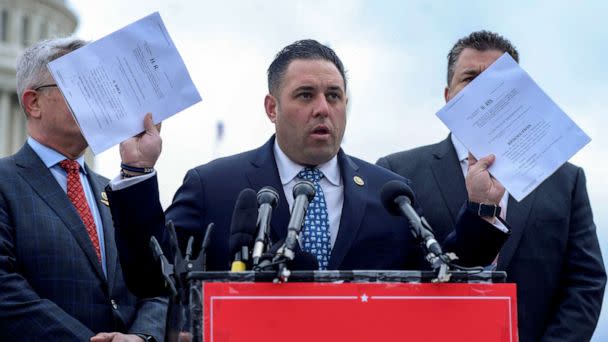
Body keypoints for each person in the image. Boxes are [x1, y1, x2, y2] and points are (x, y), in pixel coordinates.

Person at [106, 39, 509, 297]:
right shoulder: (213, 185)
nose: (323, 107)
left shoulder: (391, 193)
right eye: (305, 95)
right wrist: (138, 172)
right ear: (271, 108)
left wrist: (481, 209)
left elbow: (443, 280)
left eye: (335, 95)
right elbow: (150, 279)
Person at [377, 30, 606, 342]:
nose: (481, 92)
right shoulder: (398, 174)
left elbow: (586, 280)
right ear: (447, 96)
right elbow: (387, 278)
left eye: (496, 80)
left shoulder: (566, 180)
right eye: (469, 79)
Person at [0, 38, 167, 341]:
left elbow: (158, 283)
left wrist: (143, 337)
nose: (95, 98)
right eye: (77, 85)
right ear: (33, 103)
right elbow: (5, 291)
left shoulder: (118, 190)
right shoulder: (5, 182)